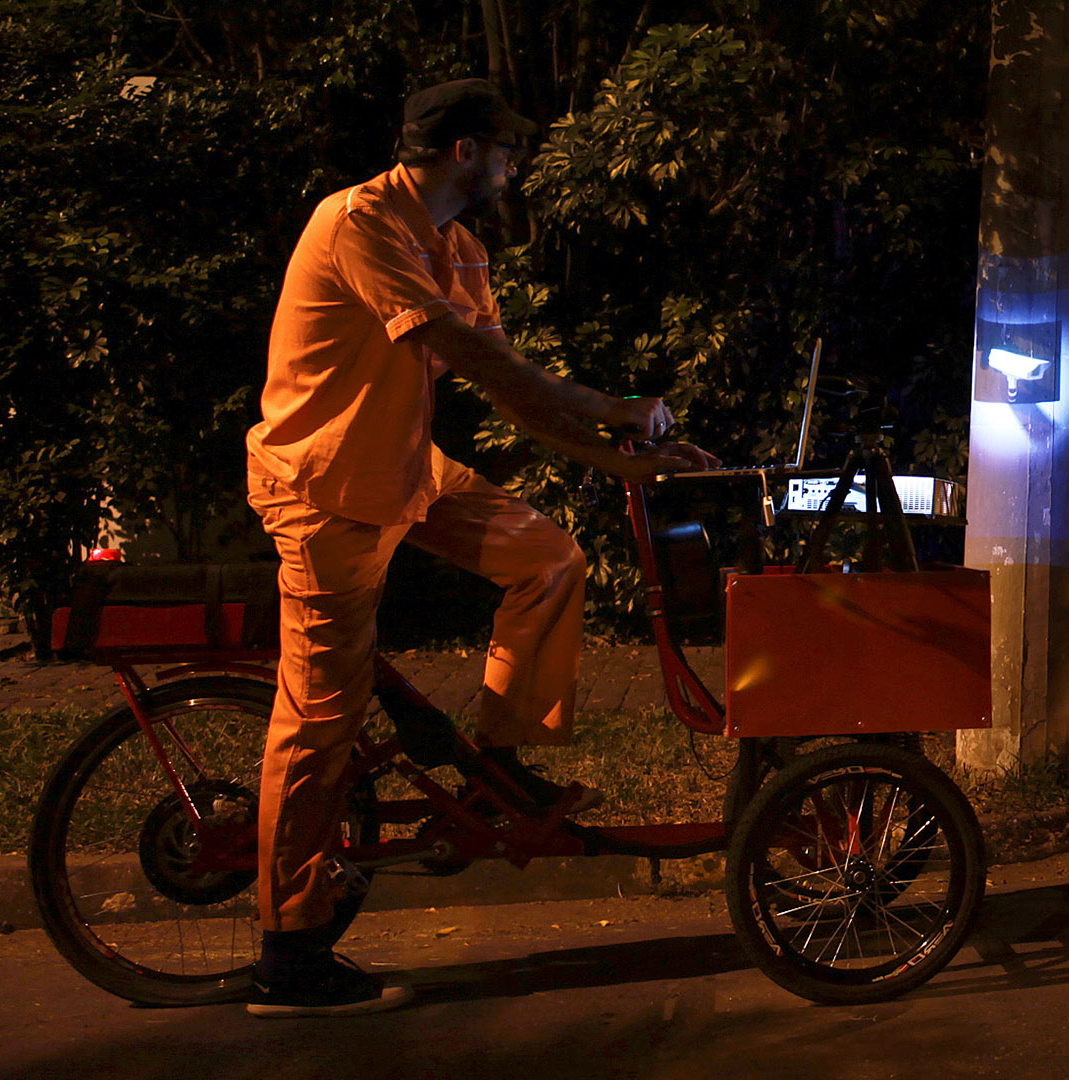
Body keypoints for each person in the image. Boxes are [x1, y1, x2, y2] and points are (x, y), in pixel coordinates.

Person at [242, 78, 716, 1018]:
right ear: (465, 151)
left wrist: (627, 459)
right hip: (325, 490)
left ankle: (496, 770)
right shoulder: (360, 224)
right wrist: (614, 410)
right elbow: (472, 355)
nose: (513, 165)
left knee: (547, 559)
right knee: (320, 718)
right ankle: (287, 951)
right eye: (505, 149)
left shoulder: (458, 245)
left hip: (405, 473)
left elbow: (507, 391)